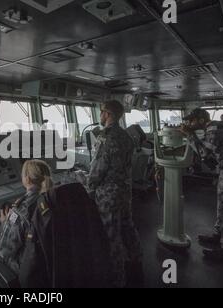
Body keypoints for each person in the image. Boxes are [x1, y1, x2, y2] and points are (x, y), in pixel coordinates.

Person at [79, 100, 142, 288]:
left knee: (111, 234)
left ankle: (117, 279)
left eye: (102, 112)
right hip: (124, 190)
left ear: (107, 114)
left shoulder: (105, 137)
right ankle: (136, 259)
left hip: (108, 195)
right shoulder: (126, 136)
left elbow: (98, 170)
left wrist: (88, 188)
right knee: (127, 226)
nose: (100, 116)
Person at [181, 108, 223, 264]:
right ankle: (219, 234)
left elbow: (206, 157)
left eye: (192, 120)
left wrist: (190, 135)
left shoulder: (213, 130)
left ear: (202, 120)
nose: (189, 123)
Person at [0, 160, 53, 288]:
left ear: (27, 179)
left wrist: (4, 223)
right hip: (51, 260)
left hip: (30, 268)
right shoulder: (54, 198)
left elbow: (3, 249)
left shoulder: (20, 210)